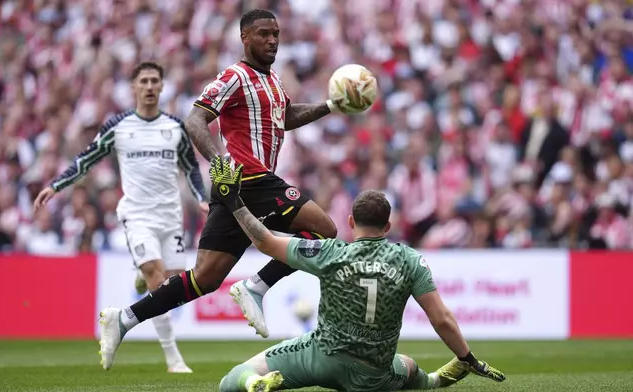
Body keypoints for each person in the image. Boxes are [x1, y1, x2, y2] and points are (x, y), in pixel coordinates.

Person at [97, 9, 346, 370]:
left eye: (275, 34)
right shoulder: (234, 76)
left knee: (206, 278)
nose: (272, 40)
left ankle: (124, 319)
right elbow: (196, 119)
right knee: (325, 230)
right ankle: (255, 287)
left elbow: (286, 118)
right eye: (263, 34)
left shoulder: (273, 80)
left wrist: (330, 106)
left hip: (238, 188)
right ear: (245, 38)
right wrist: (217, 162)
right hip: (250, 179)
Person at [207, 156, 506, 391]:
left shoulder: (330, 252)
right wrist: (467, 357)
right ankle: (437, 381)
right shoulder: (410, 260)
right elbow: (441, 318)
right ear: (388, 226)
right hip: (374, 374)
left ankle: (254, 384)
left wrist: (233, 199)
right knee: (410, 368)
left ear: (350, 222)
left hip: (321, 358)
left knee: (233, 378)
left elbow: (265, 241)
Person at [34, 62, 207, 374]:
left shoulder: (175, 128)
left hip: (171, 218)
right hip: (137, 215)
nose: (150, 86)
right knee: (157, 279)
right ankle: (173, 358)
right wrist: (54, 185)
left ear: (162, 86)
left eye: (155, 80)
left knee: (173, 289)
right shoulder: (118, 126)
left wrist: (201, 199)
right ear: (134, 87)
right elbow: (86, 159)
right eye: (144, 81)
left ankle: (141, 275)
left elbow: (191, 167)